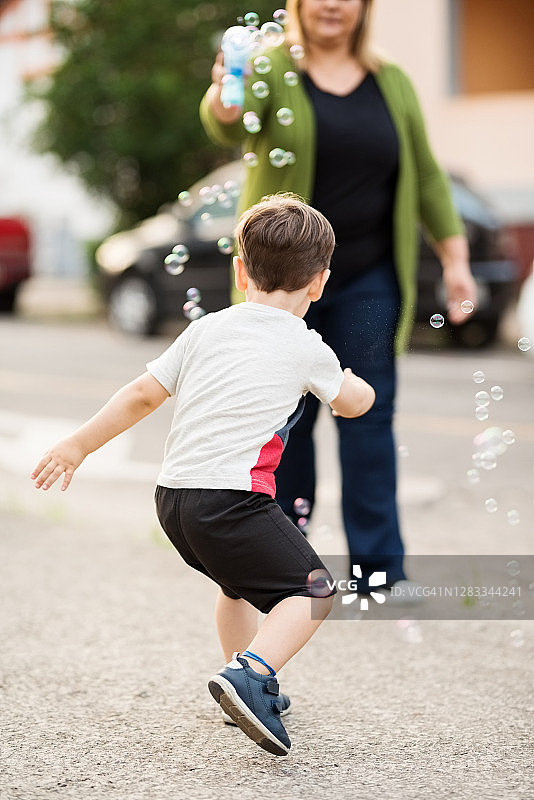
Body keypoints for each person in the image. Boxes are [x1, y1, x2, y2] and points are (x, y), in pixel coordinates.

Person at [30, 194, 375, 757]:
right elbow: (353, 403)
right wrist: (358, 382)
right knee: (313, 591)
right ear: (319, 283)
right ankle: (250, 676)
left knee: (235, 586)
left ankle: (245, 684)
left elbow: (143, 394)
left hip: (174, 503)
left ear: (240, 271)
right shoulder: (305, 345)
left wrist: (79, 444)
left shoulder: (207, 330)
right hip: (233, 501)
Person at [200, 0, 478, 593]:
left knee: (369, 416)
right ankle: (287, 570)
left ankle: (378, 572)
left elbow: (426, 174)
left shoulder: (391, 80)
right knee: (286, 422)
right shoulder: (272, 66)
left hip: (369, 278)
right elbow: (229, 119)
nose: (333, 4)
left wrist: (455, 260)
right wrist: (227, 90)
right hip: (284, 284)